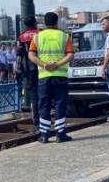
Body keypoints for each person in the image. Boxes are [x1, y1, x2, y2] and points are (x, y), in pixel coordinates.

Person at [29, 12, 75, 143]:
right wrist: (57, 64)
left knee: (44, 104)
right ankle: (60, 134)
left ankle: (44, 135)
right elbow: (70, 54)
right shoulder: (64, 36)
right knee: (60, 103)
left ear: (44, 22)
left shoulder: (37, 37)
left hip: (44, 76)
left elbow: (31, 55)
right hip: (60, 75)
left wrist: (44, 65)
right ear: (56, 22)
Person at [19, 16, 40, 127]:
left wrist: (19, 68)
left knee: (33, 95)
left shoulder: (22, 36)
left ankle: (36, 120)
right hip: (42, 67)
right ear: (35, 23)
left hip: (29, 69)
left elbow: (19, 54)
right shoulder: (40, 34)